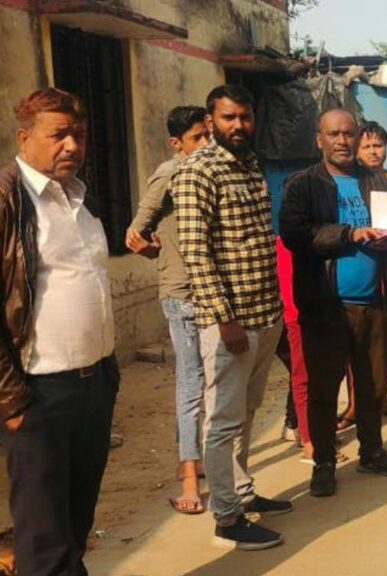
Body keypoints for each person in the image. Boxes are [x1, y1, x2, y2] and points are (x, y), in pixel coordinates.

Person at [0, 87, 120, 576]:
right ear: (24, 138)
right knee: (44, 535)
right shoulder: (8, 199)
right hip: (39, 392)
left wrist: (108, 374)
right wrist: (12, 401)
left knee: (75, 522)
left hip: (94, 382)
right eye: (59, 135)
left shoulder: (78, 197)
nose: (72, 145)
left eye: (80, 135)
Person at [172, 84, 290, 551]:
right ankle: (226, 516)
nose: (238, 125)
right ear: (210, 120)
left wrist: (272, 314)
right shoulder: (197, 171)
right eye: (228, 117)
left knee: (246, 412)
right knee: (222, 421)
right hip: (231, 324)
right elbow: (196, 253)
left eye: (245, 116)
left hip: (264, 313)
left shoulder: (249, 163)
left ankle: (242, 491)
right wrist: (225, 320)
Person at [280, 108, 387, 499]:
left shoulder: (377, 180)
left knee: (372, 385)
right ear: (319, 139)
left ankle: (372, 451)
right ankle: (324, 461)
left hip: (373, 302)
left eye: (348, 133)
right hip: (325, 306)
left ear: (357, 137)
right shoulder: (303, 185)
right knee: (324, 388)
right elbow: (295, 234)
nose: (342, 141)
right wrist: (350, 234)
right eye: (333, 134)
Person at [125, 105, 210, 514]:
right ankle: (190, 476)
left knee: (212, 382)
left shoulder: (213, 171)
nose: (205, 144)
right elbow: (134, 233)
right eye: (197, 138)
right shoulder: (169, 173)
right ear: (177, 143)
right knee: (192, 382)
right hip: (182, 295)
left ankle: (193, 458)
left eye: (207, 135)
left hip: (212, 293)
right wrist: (152, 249)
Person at [333, 120, 387, 428]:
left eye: (378, 145)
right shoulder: (349, 182)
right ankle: (355, 404)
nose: (373, 151)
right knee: (355, 345)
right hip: (364, 275)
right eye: (366, 146)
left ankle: (382, 398)